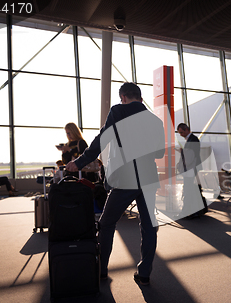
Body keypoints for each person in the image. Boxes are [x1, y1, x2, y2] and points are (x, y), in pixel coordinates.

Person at [66, 82, 165, 285]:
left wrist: (79, 162)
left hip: (125, 179)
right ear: (140, 97)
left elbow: (102, 139)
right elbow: (159, 153)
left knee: (107, 223)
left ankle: (101, 269)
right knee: (148, 227)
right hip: (147, 179)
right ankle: (144, 273)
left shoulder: (119, 111)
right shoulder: (155, 120)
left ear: (123, 97)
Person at [177, 123, 206, 219]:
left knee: (189, 191)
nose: (180, 134)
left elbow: (190, 156)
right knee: (194, 191)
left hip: (191, 170)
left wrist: (182, 152)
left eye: (181, 132)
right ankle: (197, 211)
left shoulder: (193, 140)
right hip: (194, 169)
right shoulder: (192, 139)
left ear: (186, 130)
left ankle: (187, 212)